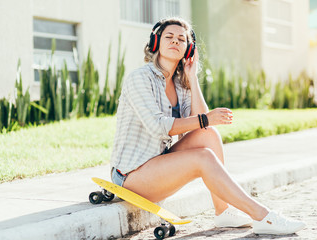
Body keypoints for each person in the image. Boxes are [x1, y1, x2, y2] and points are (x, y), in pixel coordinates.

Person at [110, 17, 305, 235]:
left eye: (181, 39)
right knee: (203, 155)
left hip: (158, 166)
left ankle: (223, 213)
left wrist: (192, 79)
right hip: (130, 175)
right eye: (169, 37)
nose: (175, 41)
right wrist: (206, 119)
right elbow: (158, 126)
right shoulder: (140, 78)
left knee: (209, 135)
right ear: (156, 42)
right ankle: (262, 216)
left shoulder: (179, 84)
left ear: (188, 48)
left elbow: (201, 125)